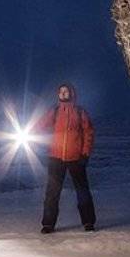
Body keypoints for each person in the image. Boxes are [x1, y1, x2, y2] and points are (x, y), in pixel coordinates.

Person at [37, 83, 96, 232]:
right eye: (61, 92)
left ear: (72, 93)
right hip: (55, 158)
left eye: (66, 91)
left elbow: (88, 133)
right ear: (58, 94)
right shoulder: (55, 112)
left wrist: (85, 154)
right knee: (52, 193)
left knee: (82, 191)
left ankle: (88, 222)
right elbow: (40, 125)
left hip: (76, 158)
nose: (63, 94)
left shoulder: (80, 112)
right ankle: (48, 224)